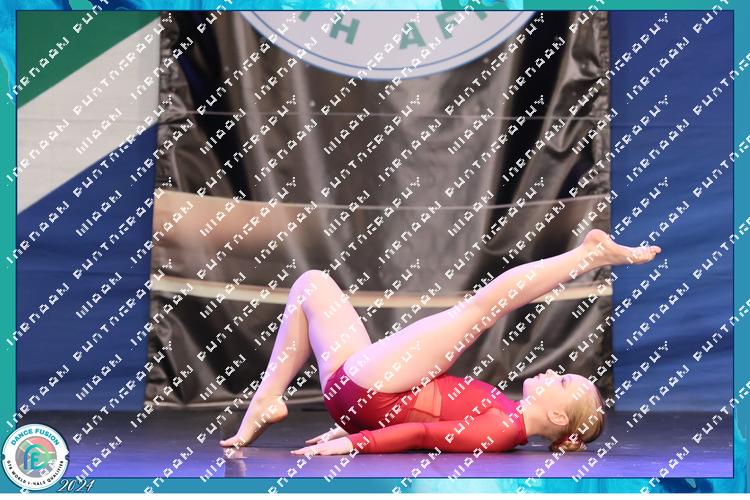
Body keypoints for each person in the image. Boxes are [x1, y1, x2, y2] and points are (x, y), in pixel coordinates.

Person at [218, 229, 661, 455]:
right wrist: (350, 424)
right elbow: (425, 415)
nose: (551, 372)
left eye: (561, 381)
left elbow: (423, 433)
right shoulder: (508, 419)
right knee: (311, 285)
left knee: (480, 310)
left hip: (371, 392)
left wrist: (354, 442)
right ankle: (267, 400)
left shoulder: (503, 431)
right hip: (360, 392)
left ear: (559, 415)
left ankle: (588, 256)